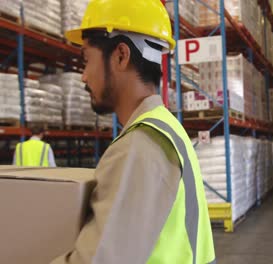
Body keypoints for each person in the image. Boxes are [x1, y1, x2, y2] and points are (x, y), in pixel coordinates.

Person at [51, 1, 215, 263]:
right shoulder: (165, 126)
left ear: (120, 56)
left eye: (86, 59)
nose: (83, 76)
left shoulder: (141, 146)